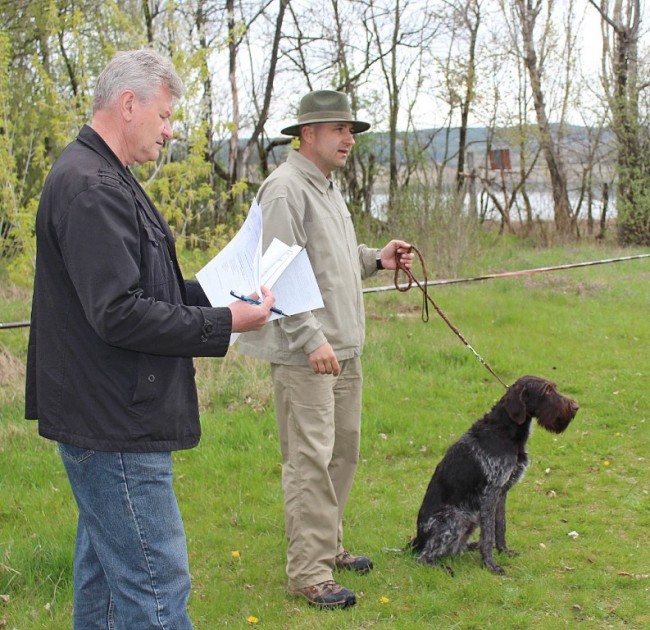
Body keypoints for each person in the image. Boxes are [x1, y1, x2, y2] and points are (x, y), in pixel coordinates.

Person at [25, 49, 275, 629]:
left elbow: (143, 288)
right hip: (114, 424)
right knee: (156, 586)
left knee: (107, 583)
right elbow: (119, 313)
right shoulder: (92, 187)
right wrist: (226, 324)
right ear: (128, 104)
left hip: (108, 414)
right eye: (163, 116)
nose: (169, 131)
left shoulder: (106, 176)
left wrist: (215, 300)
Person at [238, 90, 414, 609]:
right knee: (309, 460)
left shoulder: (328, 188)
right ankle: (309, 573)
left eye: (352, 131)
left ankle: (328, 547)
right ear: (307, 135)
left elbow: (332, 263)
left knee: (343, 452)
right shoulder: (285, 190)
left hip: (344, 348)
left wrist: (377, 259)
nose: (349, 139)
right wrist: (310, 338)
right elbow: (277, 274)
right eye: (339, 129)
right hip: (307, 353)